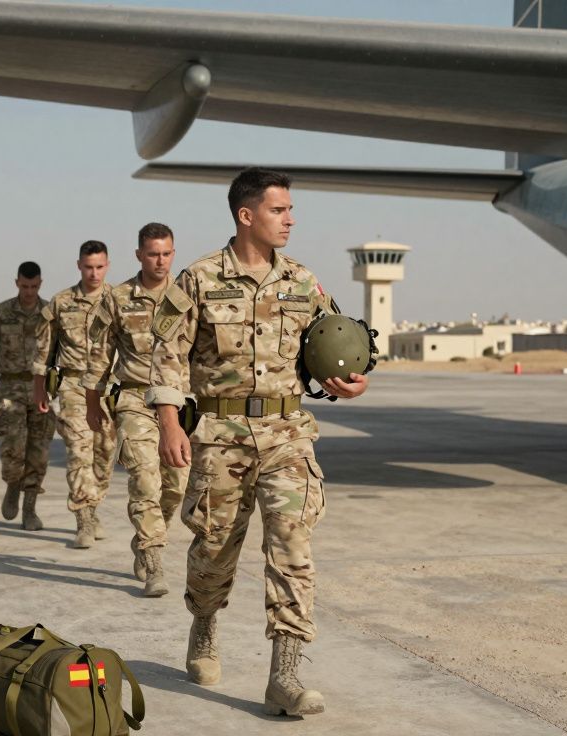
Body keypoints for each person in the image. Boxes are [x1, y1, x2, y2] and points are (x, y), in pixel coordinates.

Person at [147, 168, 367, 717]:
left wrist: (356, 377)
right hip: (219, 437)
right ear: (247, 216)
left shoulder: (303, 282)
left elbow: (341, 339)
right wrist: (171, 423)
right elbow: (166, 355)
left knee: (292, 546)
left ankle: (285, 674)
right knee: (213, 551)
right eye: (278, 210)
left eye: (290, 210)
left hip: (288, 435)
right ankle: (204, 619)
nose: (290, 219)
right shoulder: (199, 279)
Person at [84, 223, 188, 596]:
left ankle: (147, 537)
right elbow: (99, 353)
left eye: (166, 254)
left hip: (181, 404)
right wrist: (93, 401)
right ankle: (154, 559)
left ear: (173, 254)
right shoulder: (118, 297)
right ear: (139, 255)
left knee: (175, 485)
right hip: (135, 399)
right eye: (152, 254)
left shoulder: (186, 295)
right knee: (145, 477)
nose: (159, 261)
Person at [33, 241, 117, 549]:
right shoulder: (61, 302)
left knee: (104, 455)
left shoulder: (118, 299)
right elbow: (43, 349)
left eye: (99, 267)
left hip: (109, 389)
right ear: (79, 266)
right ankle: (82, 518)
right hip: (73, 387)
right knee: (79, 453)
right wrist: (39, 387)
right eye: (88, 267)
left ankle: (93, 508)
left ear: (107, 265)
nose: (93, 273)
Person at [0, 262, 56, 531]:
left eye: (33, 286)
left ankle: (30, 508)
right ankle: (12, 482)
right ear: (17, 283)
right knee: (13, 447)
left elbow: (61, 350)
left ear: (40, 284)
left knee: (39, 451)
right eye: (24, 286)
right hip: (10, 388)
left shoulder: (49, 313)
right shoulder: (2, 312)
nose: (29, 291)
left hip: (41, 388)